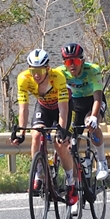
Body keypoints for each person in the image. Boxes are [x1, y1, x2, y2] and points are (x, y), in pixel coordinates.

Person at [11, 48, 77, 207]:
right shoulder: (23, 79)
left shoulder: (58, 77)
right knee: (35, 135)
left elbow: (63, 109)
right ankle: (39, 174)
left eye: (40, 70)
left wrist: (61, 129)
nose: (36, 74)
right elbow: (24, 108)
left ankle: (71, 182)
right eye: (33, 70)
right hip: (43, 108)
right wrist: (20, 130)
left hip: (62, 108)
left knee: (59, 143)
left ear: (47, 68)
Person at [60, 42, 109, 181]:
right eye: (68, 62)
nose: (72, 65)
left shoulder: (92, 70)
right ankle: (76, 179)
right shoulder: (60, 72)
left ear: (82, 61)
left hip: (93, 101)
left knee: (91, 124)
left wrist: (94, 117)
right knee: (71, 139)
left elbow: (97, 97)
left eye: (75, 61)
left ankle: (101, 162)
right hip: (77, 103)